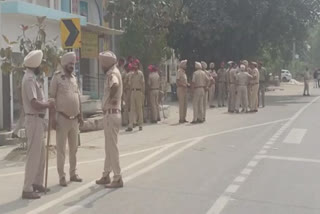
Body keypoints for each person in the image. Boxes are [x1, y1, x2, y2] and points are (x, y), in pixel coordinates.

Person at [21, 50, 55, 199]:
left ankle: (36, 183)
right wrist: (48, 104)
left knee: (41, 155)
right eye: (40, 63)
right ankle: (27, 188)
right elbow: (34, 103)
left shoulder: (32, 78)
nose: (41, 66)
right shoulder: (28, 79)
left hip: (38, 120)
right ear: (35, 64)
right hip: (34, 119)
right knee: (34, 155)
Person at [50, 52, 83, 187]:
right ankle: (62, 176)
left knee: (74, 148)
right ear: (64, 64)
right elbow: (51, 99)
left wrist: (81, 114)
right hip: (62, 118)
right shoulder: (57, 78)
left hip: (75, 119)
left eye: (73, 64)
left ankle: (73, 173)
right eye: (70, 64)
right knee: (61, 149)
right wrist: (52, 117)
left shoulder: (74, 79)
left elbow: (78, 97)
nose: (72, 66)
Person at [96, 51, 124, 188]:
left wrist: (110, 99)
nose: (101, 66)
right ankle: (106, 174)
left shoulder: (111, 74)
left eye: (102, 63)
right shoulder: (115, 71)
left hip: (111, 114)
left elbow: (115, 85)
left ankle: (117, 177)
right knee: (109, 147)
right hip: (113, 114)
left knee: (112, 147)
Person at [126, 59, 145, 132]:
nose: (135, 66)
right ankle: (130, 125)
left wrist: (143, 93)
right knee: (132, 109)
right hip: (133, 92)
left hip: (138, 92)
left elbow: (143, 84)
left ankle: (140, 125)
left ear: (138, 65)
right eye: (134, 65)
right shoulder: (131, 74)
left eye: (136, 65)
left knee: (139, 109)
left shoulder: (140, 74)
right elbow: (129, 84)